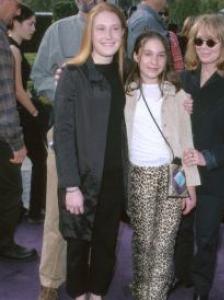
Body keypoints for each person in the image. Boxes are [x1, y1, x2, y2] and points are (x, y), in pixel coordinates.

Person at [30, 1, 104, 299]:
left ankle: (88, 278)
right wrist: (59, 87)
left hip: (103, 137)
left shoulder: (117, 31)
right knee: (56, 210)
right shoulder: (58, 31)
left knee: (97, 211)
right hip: (64, 133)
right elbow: (39, 78)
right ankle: (50, 279)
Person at [54, 2, 126, 299]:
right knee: (78, 246)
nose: (108, 35)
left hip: (115, 177)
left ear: (123, 33)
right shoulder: (73, 74)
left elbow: (160, 87)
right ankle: (78, 294)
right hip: (81, 179)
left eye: (114, 28)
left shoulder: (128, 74)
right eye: (101, 28)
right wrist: (71, 185)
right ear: (90, 34)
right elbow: (64, 134)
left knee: (106, 244)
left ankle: (97, 294)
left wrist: (180, 97)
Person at [125, 31, 200, 300]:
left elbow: (186, 143)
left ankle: (152, 295)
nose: (154, 61)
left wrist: (190, 185)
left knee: (165, 243)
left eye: (160, 55)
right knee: (144, 241)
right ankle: (142, 286)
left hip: (174, 173)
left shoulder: (179, 95)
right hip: (138, 174)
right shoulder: (124, 93)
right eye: (147, 54)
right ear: (136, 56)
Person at [180, 14, 224, 299]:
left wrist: (207, 157)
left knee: (206, 236)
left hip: (214, 174)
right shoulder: (181, 79)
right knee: (181, 231)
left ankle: (200, 287)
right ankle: (181, 274)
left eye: (212, 41)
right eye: (199, 40)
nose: (204, 46)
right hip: (181, 173)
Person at [0, 0, 38, 261]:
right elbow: (7, 97)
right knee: (11, 193)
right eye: (15, 4)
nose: (16, 10)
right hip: (4, 137)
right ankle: (5, 244)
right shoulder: (3, 44)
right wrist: (17, 142)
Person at [8, 4, 48, 223]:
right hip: (22, 115)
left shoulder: (14, 48)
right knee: (39, 160)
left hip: (21, 113)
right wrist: (35, 113)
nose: (34, 28)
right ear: (15, 22)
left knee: (34, 159)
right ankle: (34, 210)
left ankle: (30, 209)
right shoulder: (12, 49)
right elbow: (18, 90)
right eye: (30, 23)